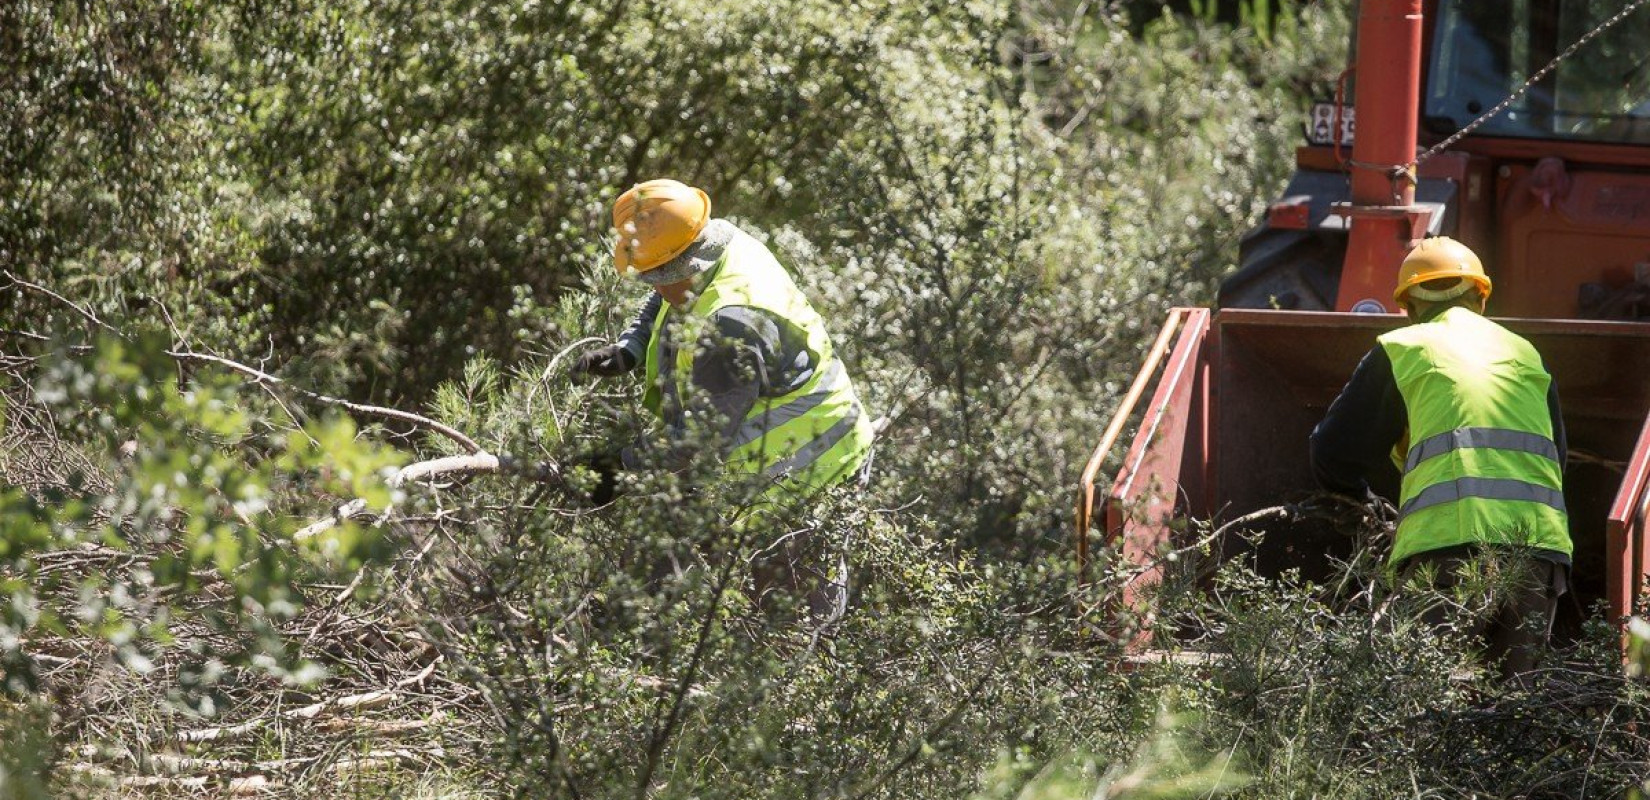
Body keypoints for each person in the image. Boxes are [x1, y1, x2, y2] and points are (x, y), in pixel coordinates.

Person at [1309, 236, 1570, 680]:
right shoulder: (1527, 356)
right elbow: (1555, 461)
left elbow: (1334, 451)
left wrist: (1356, 499)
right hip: (1539, 563)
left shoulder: (1406, 348)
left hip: (1450, 556)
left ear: (1408, 306)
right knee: (1514, 715)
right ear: (1480, 298)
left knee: (1412, 702)